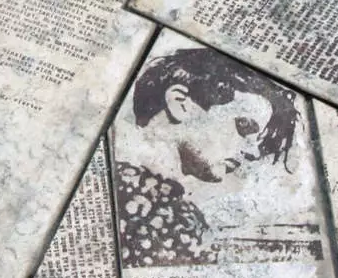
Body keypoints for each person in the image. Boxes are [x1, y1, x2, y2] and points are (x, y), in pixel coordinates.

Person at [113, 47, 309, 266]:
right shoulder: (139, 204)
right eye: (243, 124)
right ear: (181, 103)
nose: (253, 151)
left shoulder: (163, 203)